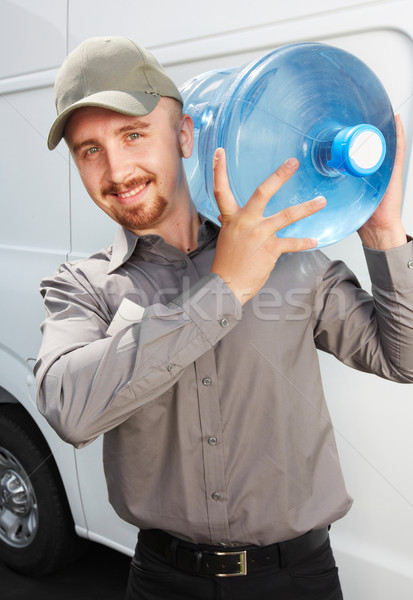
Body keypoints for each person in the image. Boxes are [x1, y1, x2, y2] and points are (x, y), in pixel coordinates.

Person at [35, 36, 413, 600]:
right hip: (162, 581)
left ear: (185, 134)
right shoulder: (83, 286)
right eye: (89, 150)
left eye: (133, 134)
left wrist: (384, 235)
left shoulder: (290, 255)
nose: (116, 169)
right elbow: (70, 410)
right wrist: (226, 288)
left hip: (297, 580)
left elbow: (401, 359)